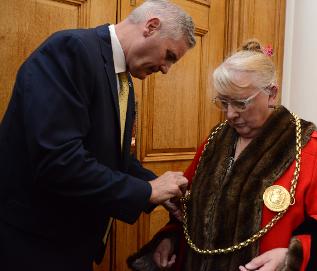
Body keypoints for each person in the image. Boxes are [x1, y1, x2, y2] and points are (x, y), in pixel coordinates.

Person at [127, 39, 317, 270]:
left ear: (271, 93)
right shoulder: (215, 141)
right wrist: (170, 238)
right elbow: (188, 210)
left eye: (241, 102)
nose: (230, 114)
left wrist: (290, 256)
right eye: (223, 102)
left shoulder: (309, 149)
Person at [0, 1, 195, 270]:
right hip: (34, 245)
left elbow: (115, 160)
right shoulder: (71, 50)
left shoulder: (123, 80)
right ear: (151, 27)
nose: (166, 69)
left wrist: (162, 190)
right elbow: (59, 160)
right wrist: (146, 191)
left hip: (73, 245)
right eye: (170, 55)